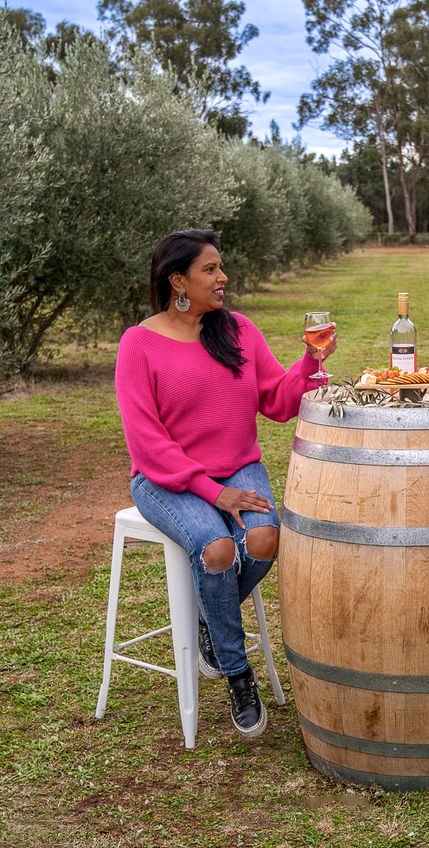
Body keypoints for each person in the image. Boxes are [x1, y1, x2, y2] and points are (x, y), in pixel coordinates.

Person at [115, 228, 334, 738]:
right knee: (216, 549)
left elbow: (276, 403)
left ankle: (210, 622)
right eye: (210, 269)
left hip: (237, 465)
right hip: (165, 478)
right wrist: (216, 494)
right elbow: (147, 443)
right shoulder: (139, 344)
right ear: (178, 281)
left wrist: (309, 363)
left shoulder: (237, 330)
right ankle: (238, 674)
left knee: (263, 537)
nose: (223, 277)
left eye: (221, 267)